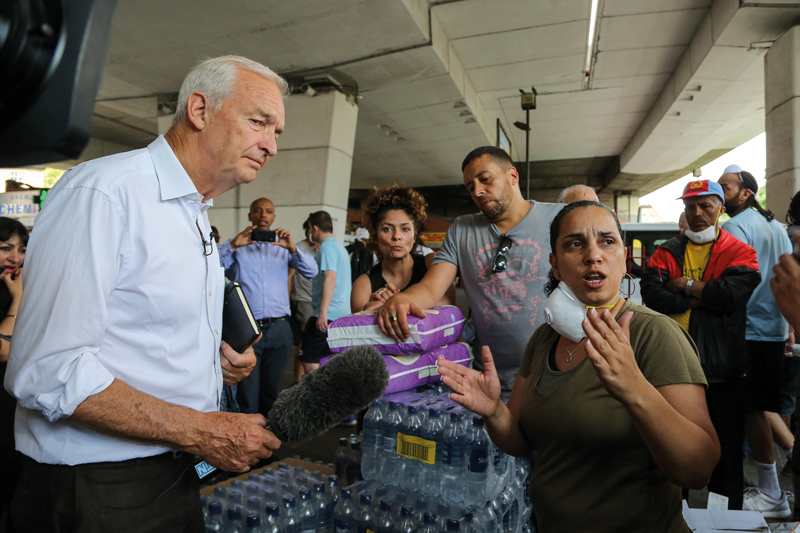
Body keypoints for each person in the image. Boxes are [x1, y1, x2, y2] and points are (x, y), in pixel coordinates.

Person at [4, 55, 287, 530]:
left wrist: (208, 360)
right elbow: (47, 369)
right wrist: (202, 429)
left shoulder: (193, 211)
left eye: (277, 132)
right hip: (96, 484)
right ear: (199, 110)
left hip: (167, 467)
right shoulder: (104, 193)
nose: (271, 146)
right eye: (260, 123)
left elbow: (138, 328)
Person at [437, 200, 719, 532]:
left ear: (623, 257)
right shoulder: (545, 338)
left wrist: (634, 389)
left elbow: (698, 470)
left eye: (607, 241)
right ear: (555, 266)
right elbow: (521, 441)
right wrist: (494, 411)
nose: (593, 255)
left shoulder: (655, 334)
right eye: (575, 243)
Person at [378, 146, 563, 401]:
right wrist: (402, 300)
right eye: (470, 186)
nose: (477, 191)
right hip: (488, 381)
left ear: (513, 176)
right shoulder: (462, 228)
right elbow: (432, 287)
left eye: (485, 179)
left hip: (555, 379)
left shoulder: (558, 219)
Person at [641, 179, 761, 510]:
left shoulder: (741, 253)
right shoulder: (666, 251)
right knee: (670, 450)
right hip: (671, 367)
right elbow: (652, 296)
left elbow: (731, 296)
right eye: (690, 206)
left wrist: (687, 285)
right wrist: (700, 298)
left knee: (726, 456)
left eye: (705, 205)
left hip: (722, 371)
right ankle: (673, 519)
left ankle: (726, 523)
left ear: (721, 210)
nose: (697, 213)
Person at [717, 164, 793, 514]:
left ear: (745, 193)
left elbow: (730, 284)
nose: (720, 194)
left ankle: (770, 492)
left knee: (752, 411)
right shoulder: (776, 226)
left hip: (748, 330)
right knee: (762, 407)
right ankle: (773, 487)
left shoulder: (735, 226)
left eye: (726, 188)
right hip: (776, 328)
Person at [219, 198, 318, 415]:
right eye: (257, 211)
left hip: (280, 329)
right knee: (246, 394)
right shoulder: (237, 247)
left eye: (268, 212)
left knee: (272, 392)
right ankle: (245, 443)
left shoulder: (284, 249)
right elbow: (210, 265)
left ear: (274, 218)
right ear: (250, 216)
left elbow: (312, 271)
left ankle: (267, 442)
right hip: (248, 330)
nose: (263, 215)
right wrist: (234, 244)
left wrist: (293, 249)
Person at [351, 184, 454, 312]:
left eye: (405, 229)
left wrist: (395, 302)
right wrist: (370, 309)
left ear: (415, 236)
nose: (397, 236)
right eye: (387, 229)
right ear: (376, 236)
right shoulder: (363, 284)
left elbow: (449, 304)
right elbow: (358, 328)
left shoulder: (430, 263)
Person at [299, 211, 352, 374]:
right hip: (340, 314)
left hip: (327, 314)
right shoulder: (339, 247)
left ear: (314, 228)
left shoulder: (327, 247)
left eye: (309, 229)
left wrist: (322, 312)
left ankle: (317, 398)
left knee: (309, 360)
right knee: (327, 361)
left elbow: (330, 278)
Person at [0, 218, 26, 529]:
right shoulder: (16, 291)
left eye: (21, 249)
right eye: (5, 248)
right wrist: (20, 299)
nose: (15, 257)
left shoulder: (13, 284)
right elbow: (3, 350)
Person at [289, 220, 319, 383]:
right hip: (301, 299)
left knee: (304, 342)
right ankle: (297, 380)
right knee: (304, 342)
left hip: (313, 300)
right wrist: (287, 302)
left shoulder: (319, 249)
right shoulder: (299, 247)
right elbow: (289, 275)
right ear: (308, 229)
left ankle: (299, 380)